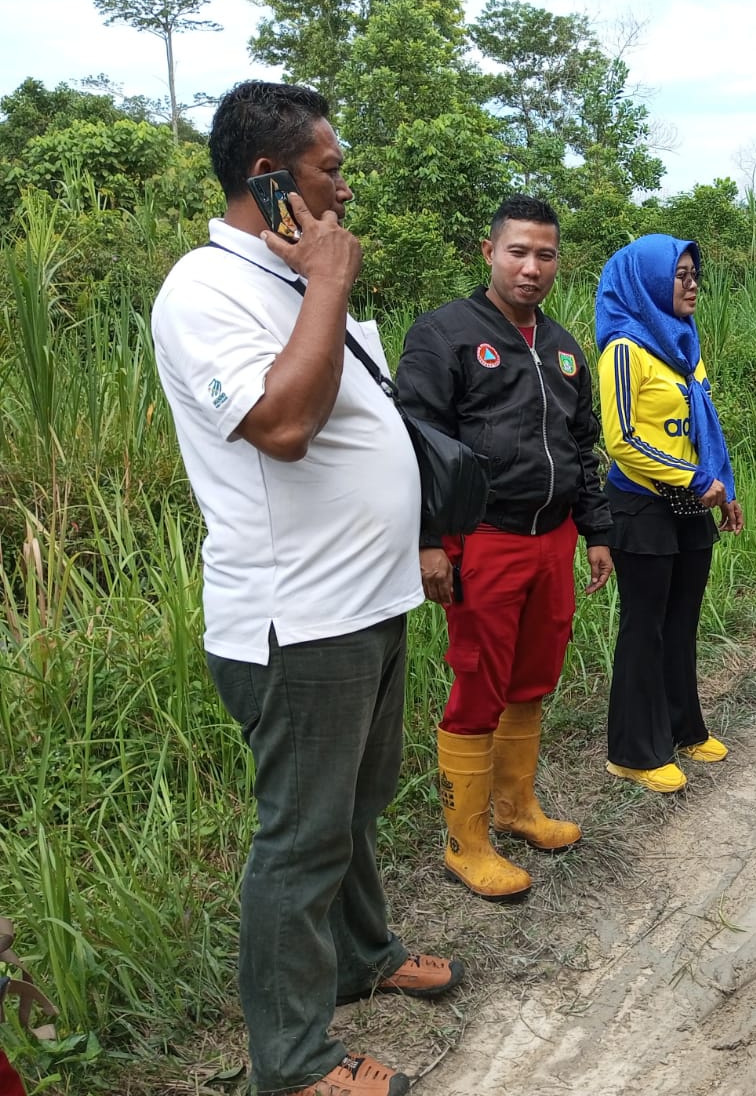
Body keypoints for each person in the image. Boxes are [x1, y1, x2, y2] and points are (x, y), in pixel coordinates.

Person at [151, 81, 459, 1096]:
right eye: (331, 167)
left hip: (367, 602)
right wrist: (329, 285)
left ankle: (364, 957)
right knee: (301, 836)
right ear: (269, 177)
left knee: (357, 806)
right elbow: (282, 429)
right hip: (297, 619)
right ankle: (290, 1061)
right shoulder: (205, 291)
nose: (346, 185)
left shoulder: (284, 279)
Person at [397, 195, 613, 903]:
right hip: (482, 538)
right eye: (517, 251)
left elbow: (582, 447)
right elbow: (415, 445)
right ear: (487, 253)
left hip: (552, 538)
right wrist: (429, 541)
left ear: (559, 262)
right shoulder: (446, 336)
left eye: (545, 254)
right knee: (478, 684)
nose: (531, 267)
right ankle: (467, 839)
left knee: (533, 677)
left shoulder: (562, 345)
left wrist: (596, 532)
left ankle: (518, 809)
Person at [594, 235, 744, 793]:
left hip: (691, 505)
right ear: (650, 281)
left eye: (693, 273)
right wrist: (696, 479)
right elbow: (623, 439)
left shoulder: (682, 344)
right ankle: (633, 751)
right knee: (644, 629)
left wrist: (724, 487)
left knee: (681, 624)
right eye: (680, 274)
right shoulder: (624, 350)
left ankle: (682, 730)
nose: (692, 283)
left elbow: (707, 427)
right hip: (642, 505)